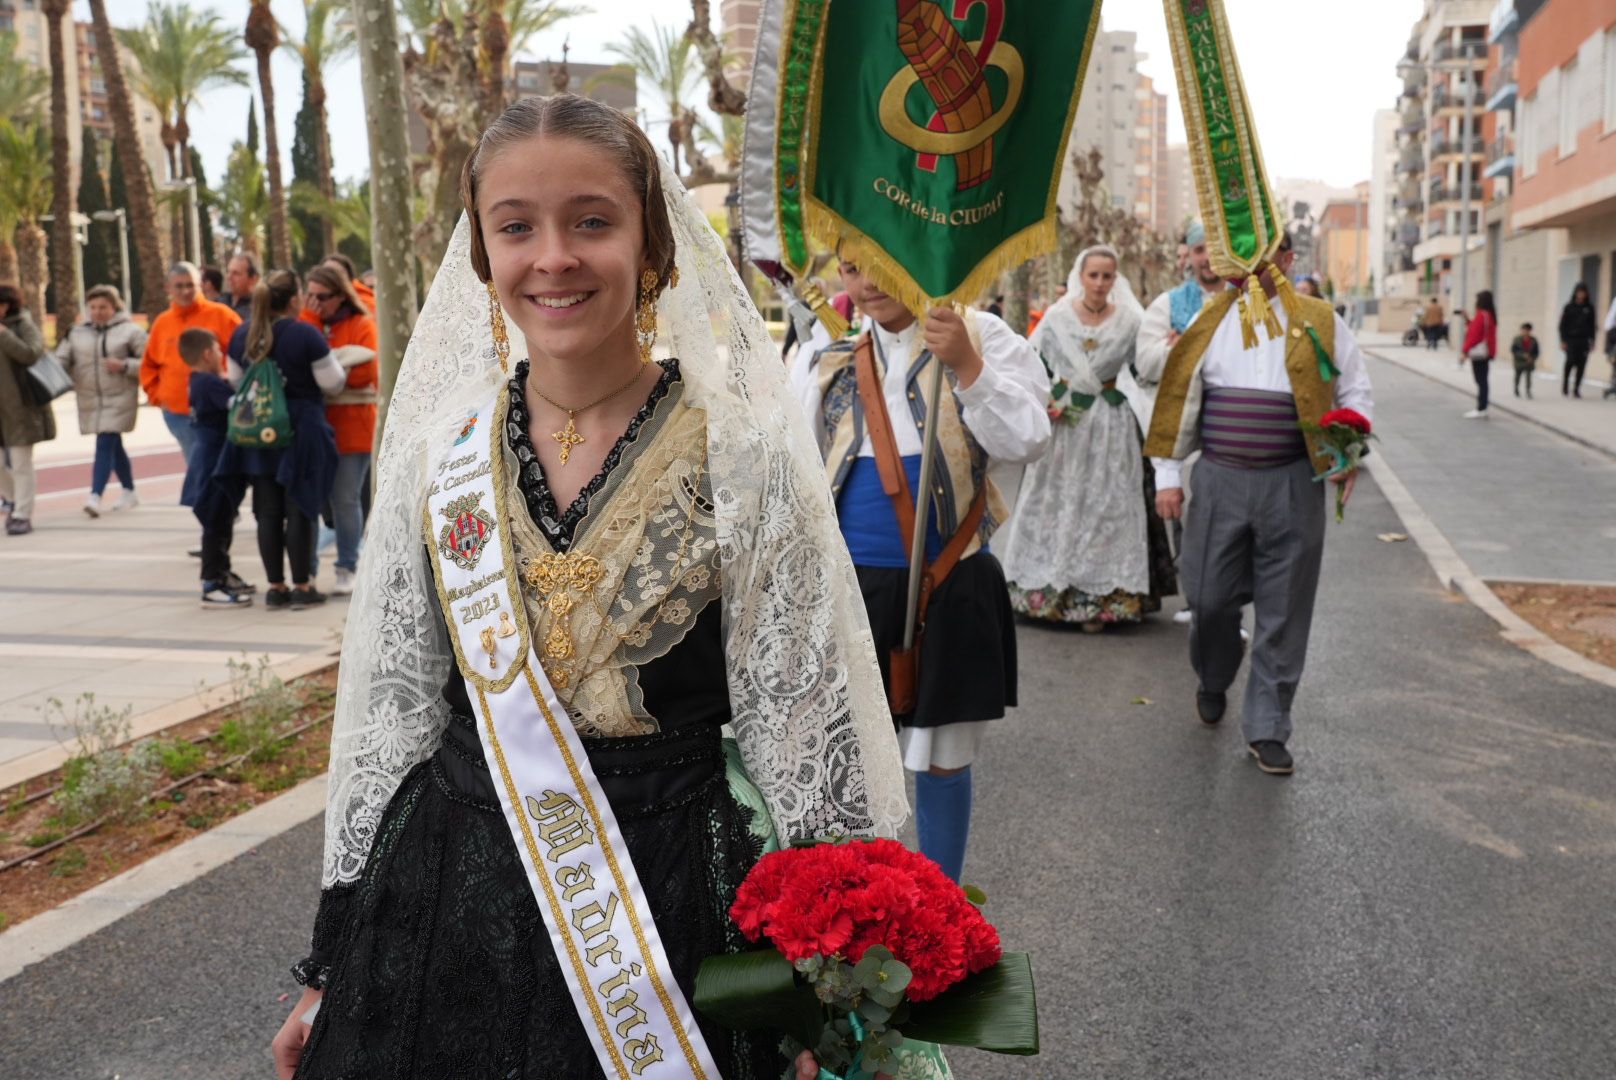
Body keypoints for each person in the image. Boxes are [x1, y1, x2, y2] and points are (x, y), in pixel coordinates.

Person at [271, 94, 909, 1080]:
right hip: (446, 904)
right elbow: (389, 723)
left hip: (677, 908)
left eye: (592, 221)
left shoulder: (743, 458)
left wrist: (827, 995)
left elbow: (801, 728)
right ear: (481, 253)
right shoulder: (439, 458)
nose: (553, 257)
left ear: (652, 243)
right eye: (515, 227)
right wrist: (332, 971)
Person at [789, 251, 1049, 885]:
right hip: (851, 591)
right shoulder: (825, 357)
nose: (868, 283)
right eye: (852, 268)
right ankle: (850, 916)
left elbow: (1029, 439)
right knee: (843, 762)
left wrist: (968, 366)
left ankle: (938, 908)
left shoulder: (983, 337)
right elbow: (793, 472)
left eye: (882, 262)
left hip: (953, 582)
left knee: (942, 757)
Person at [1148, 263, 1374, 777]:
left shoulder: (1322, 319)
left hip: (1293, 481)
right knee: (1208, 596)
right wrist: (1167, 476)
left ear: (1286, 259)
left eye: (1268, 252)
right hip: (1219, 481)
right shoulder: (1209, 318)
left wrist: (1347, 449)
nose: (1254, 265)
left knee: (1285, 606)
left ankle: (1268, 725)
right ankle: (1213, 674)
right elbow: (1176, 395)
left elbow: (1355, 390)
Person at [999, 245, 1176, 630]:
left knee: (1107, 507)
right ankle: (1044, 592)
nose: (1099, 282)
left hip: (1111, 425)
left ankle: (1103, 600)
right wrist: (1046, 399)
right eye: (1093, 275)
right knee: (1056, 504)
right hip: (1065, 425)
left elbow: (1144, 371)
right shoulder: (1057, 317)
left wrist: (1168, 351)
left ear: (1115, 279)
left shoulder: (1131, 320)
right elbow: (1034, 365)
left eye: (1106, 276)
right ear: (1080, 276)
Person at [220, 270, 342, 609]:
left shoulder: (242, 335)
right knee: (300, 505)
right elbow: (333, 382)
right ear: (293, 299)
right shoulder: (305, 334)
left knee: (267, 510)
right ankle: (303, 586)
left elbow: (236, 382)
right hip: (300, 430)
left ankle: (276, 587)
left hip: (257, 434)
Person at [302, 265, 378, 596]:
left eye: (321, 298)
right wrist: (336, 360)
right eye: (309, 297)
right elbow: (300, 362)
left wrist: (325, 367)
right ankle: (307, 570)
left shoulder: (361, 323)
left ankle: (347, 566)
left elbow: (365, 373)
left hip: (352, 425)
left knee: (345, 500)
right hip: (316, 426)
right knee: (314, 500)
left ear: (340, 295)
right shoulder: (309, 322)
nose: (315, 303)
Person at [176, 328, 253, 607]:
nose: (222, 354)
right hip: (213, 466)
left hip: (211, 461)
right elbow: (240, 407)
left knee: (222, 521)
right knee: (215, 524)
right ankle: (211, 583)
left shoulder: (199, 380)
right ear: (208, 353)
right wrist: (256, 391)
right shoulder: (208, 383)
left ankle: (222, 573)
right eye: (219, 350)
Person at [55, 284, 147, 517]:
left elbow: (149, 363)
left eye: (103, 307)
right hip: (89, 397)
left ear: (114, 307)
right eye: (93, 307)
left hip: (120, 397)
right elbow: (61, 359)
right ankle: (129, 490)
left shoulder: (131, 332)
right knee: (113, 444)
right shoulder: (76, 332)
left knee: (105, 441)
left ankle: (95, 495)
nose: (97, 312)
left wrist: (125, 365)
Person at [140, 262, 241, 464]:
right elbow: (149, 365)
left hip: (218, 411)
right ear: (168, 288)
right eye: (179, 286)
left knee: (220, 467)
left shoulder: (222, 315)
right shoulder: (162, 322)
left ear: (201, 285)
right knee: (199, 466)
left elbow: (244, 352)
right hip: (178, 413)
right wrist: (159, 397)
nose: (185, 291)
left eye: (190, 285)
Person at [0, 284, 54, 537]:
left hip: (20, 408)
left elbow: (32, 353)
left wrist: (4, 335)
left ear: (7, 306)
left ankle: (22, 514)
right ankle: (12, 500)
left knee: (21, 463)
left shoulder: (23, 325)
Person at [1459, 289, 1497, 419]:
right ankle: (1482, 407)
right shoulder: (1489, 315)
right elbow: (1476, 330)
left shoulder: (1482, 315)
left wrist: (1464, 351)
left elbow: (1474, 335)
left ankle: (1481, 408)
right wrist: (1467, 319)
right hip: (1485, 352)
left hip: (1479, 353)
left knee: (1481, 381)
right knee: (1482, 380)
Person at [1558, 282, 1597, 398]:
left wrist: (1592, 341)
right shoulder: (1568, 307)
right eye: (1579, 292)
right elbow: (1562, 325)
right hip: (1571, 340)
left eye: (1583, 292)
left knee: (1581, 365)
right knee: (1570, 361)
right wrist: (1563, 340)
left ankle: (1576, 389)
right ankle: (1565, 384)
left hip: (1584, 341)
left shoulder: (1589, 308)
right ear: (1575, 293)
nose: (1581, 294)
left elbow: (1592, 326)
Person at [225, 252, 260, 320]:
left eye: (236, 273)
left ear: (253, 279)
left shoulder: (258, 309)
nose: (229, 277)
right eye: (228, 272)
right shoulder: (218, 303)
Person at [1511, 322, 1540, 399]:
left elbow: (1537, 352)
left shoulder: (1533, 340)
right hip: (1519, 362)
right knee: (1517, 376)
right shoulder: (1517, 339)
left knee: (1528, 378)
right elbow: (1514, 350)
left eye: (1527, 330)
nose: (1526, 332)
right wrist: (1522, 355)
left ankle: (1528, 391)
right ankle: (1516, 388)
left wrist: (1532, 358)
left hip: (1529, 363)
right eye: (1524, 330)